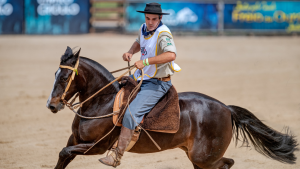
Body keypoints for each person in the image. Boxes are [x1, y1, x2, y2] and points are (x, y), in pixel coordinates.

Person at [99, 2, 181, 167]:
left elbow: (171, 55)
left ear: (160, 18)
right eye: (147, 18)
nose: (150, 22)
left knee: (130, 114)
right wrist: (130, 52)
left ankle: (116, 156)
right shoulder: (144, 28)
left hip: (157, 83)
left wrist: (146, 61)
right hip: (141, 77)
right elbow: (139, 41)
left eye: (153, 19)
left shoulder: (163, 34)